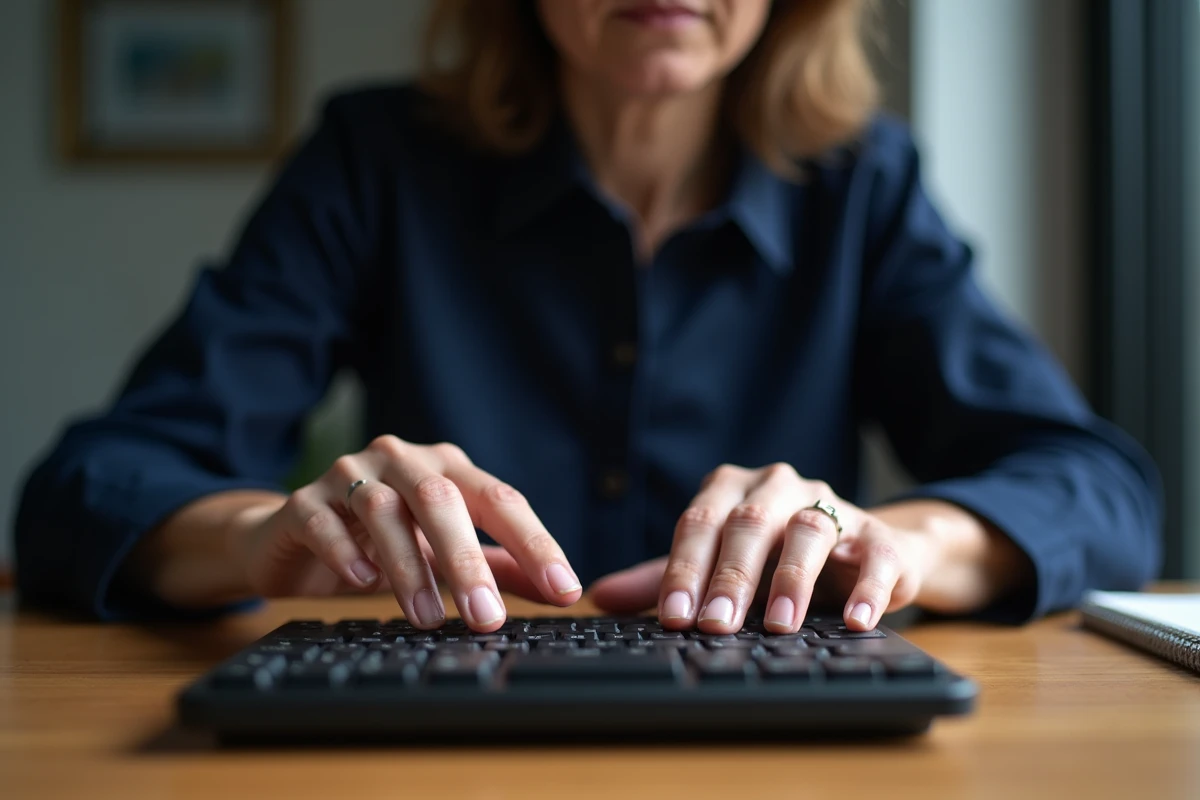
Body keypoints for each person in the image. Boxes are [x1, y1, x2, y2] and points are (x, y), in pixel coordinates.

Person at [14, 0, 1160, 634]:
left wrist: (900, 541)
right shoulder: (376, 160)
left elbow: (1097, 490)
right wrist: (257, 536)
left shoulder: (864, 185)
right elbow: (89, 486)